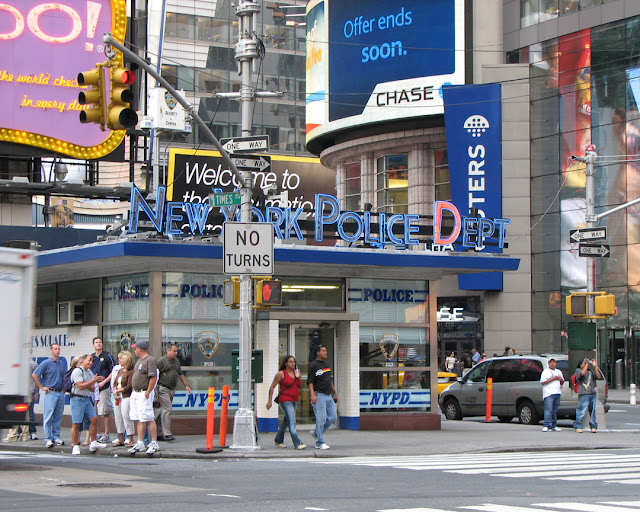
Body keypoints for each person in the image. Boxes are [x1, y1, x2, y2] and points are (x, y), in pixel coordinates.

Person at [70, 355, 107, 455]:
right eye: (89, 360)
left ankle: (93, 442)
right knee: (76, 423)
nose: (91, 363)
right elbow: (80, 386)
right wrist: (91, 382)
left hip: (86, 399)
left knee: (94, 419)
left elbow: (92, 388)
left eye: (92, 361)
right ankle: (75, 445)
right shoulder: (78, 371)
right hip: (77, 398)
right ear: (82, 360)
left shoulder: (88, 372)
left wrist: (89, 383)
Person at [266, 355, 306, 450]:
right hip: (285, 400)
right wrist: (269, 401)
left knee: (286, 421)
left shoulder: (296, 373)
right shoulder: (281, 374)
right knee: (292, 421)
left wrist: (299, 378)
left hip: (294, 399)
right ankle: (297, 442)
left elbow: (300, 387)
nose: (293, 363)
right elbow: (272, 387)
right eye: (291, 362)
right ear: (286, 363)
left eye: (294, 362)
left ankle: (278, 440)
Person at [32, 343, 67, 448]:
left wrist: (64, 388)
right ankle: (48, 438)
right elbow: (35, 374)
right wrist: (42, 387)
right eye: (55, 349)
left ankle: (56, 436)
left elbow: (63, 377)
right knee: (48, 416)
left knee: (58, 416)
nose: (57, 351)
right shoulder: (46, 363)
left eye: (59, 349)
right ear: (51, 350)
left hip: (60, 392)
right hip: (50, 392)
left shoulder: (61, 363)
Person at [128, 341, 160, 455]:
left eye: (135, 348)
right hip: (136, 393)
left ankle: (154, 442)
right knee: (139, 418)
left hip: (143, 392)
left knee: (148, 417)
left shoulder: (149, 360)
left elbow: (153, 378)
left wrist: (147, 392)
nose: (135, 350)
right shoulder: (139, 361)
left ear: (141, 349)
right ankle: (140, 442)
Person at [155, 343, 192, 442]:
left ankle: (157, 432)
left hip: (171, 389)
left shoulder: (176, 361)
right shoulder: (161, 361)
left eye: (176, 351)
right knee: (167, 409)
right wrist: (155, 391)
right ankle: (167, 433)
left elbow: (180, 373)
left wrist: (186, 385)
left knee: (162, 411)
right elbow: (155, 375)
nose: (176, 353)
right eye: (174, 351)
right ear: (168, 351)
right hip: (162, 388)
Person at [308, 345, 338, 450]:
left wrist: (334, 392)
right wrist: (312, 395)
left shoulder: (327, 364)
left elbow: (330, 380)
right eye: (324, 351)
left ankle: (317, 433)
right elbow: (310, 382)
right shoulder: (313, 365)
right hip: (319, 395)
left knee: (333, 416)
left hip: (328, 395)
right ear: (318, 352)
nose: (326, 352)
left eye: (326, 350)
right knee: (321, 419)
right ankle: (319, 442)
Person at [3, 360, 39, 443]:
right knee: (24, 414)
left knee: (14, 414)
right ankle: (24, 435)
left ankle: (13, 436)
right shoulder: (27, 365)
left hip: (20, 393)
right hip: (26, 392)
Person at [90, 337, 116, 443]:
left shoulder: (107, 356)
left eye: (100, 342)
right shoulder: (91, 357)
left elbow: (113, 371)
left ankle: (106, 434)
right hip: (93, 388)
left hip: (104, 387)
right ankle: (97, 433)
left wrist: (104, 382)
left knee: (104, 411)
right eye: (96, 342)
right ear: (93, 345)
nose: (99, 344)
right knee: (95, 412)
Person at [573, 357, 602, 433]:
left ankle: (593, 426)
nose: (586, 365)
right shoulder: (578, 370)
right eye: (584, 363)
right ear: (580, 364)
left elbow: (598, 376)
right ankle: (578, 426)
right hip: (584, 393)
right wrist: (586, 365)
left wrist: (595, 366)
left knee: (592, 411)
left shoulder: (590, 371)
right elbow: (582, 374)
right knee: (581, 410)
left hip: (592, 393)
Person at [112, 351, 135, 447]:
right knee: (118, 417)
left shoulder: (131, 372)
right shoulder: (120, 370)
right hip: (118, 397)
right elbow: (115, 382)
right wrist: (114, 389)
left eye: (121, 358)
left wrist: (118, 390)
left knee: (126, 416)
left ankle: (130, 438)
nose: (119, 360)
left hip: (126, 396)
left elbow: (129, 386)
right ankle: (120, 438)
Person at [540, 358, 564, 432]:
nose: (553, 364)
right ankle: (546, 425)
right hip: (549, 393)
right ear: (549, 363)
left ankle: (553, 425)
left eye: (554, 362)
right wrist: (553, 379)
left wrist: (560, 379)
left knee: (554, 410)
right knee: (548, 409)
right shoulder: (546, 372)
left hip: (557, 392)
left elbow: (562, 381)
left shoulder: (558, 371)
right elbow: (543, 382)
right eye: (551, 362)